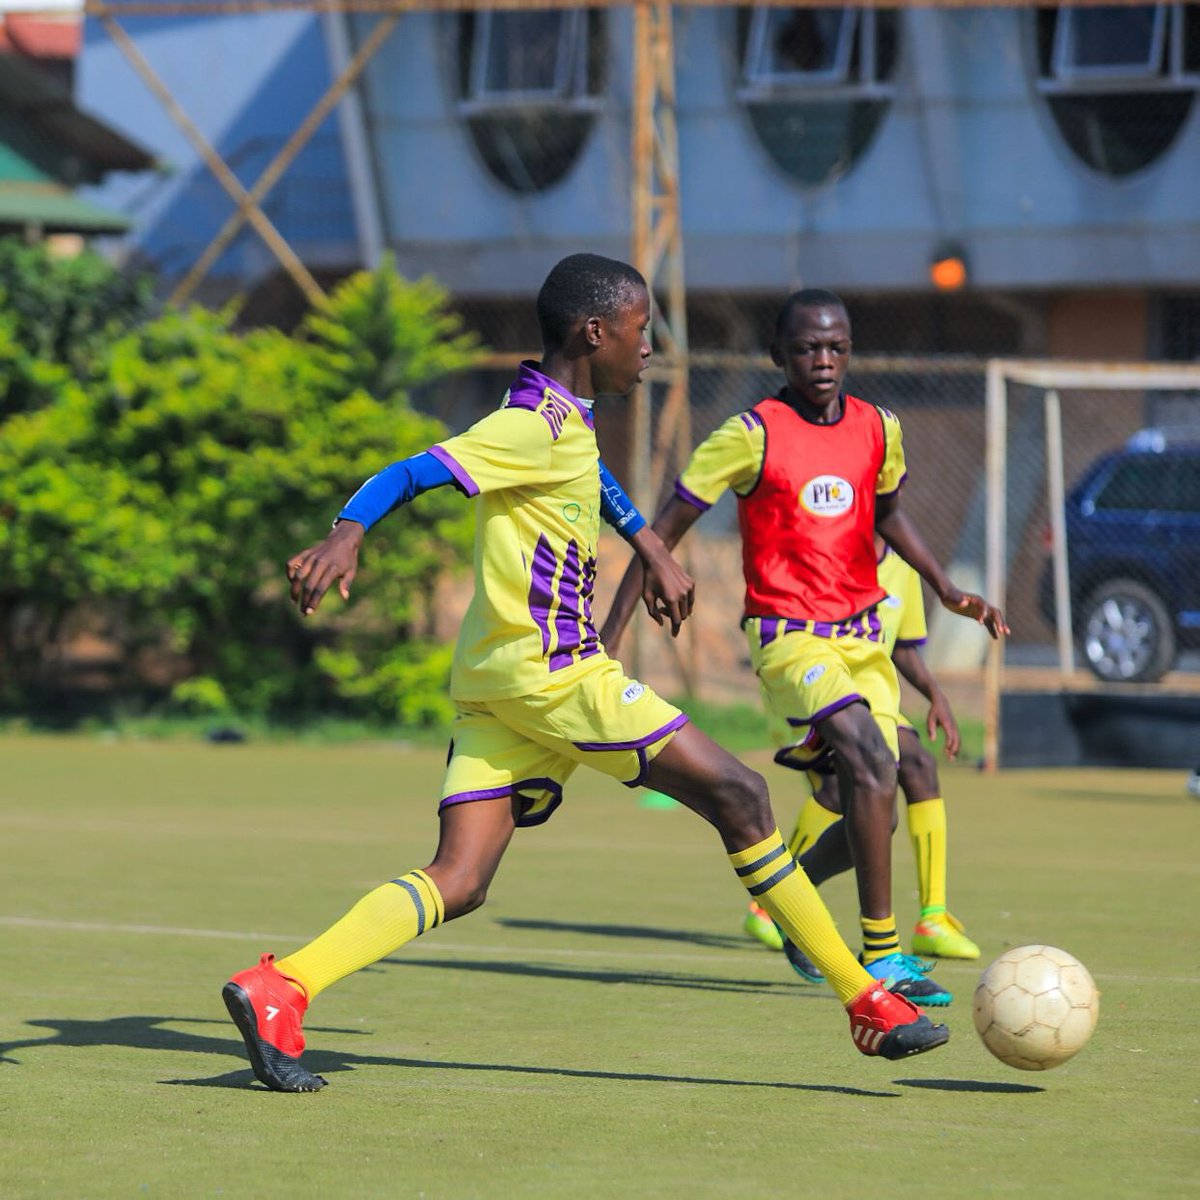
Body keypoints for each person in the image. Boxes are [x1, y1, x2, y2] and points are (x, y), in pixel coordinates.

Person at [221, 256, 947, 1093]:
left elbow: (590, 477)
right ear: (592, 332)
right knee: (741, 796)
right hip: (557, 674)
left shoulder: (562, 417)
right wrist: (347, 531)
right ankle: (866, 1000)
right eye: (641, 331)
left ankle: (282, 987)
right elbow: (415, 469)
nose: (650, 348)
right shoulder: (529, 425)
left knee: (459, 878)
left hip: (496, 685)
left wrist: (645, 542)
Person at [602, 288, 1007, 1010]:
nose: (822, 361)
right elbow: (658, 533)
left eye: (835, 347)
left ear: (850, 351)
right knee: (870, 757)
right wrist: (608, 637)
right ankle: (882, 956)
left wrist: (944, 588)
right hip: (789, 639)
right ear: (779, 356)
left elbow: (889, 514)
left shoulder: (880, 428)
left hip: (863, 643)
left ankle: (795, 908)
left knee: (875, 800)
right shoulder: (751, 433)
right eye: (806, 348)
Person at [766, 534, 981, 986]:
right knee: (838, 790)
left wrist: (935, 695)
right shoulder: (826, 539)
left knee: (896, 796)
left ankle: (928, 917)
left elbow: (901, 644)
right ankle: (867, 945)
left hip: (872, 690)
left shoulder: (903, 557)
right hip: (816, 681)